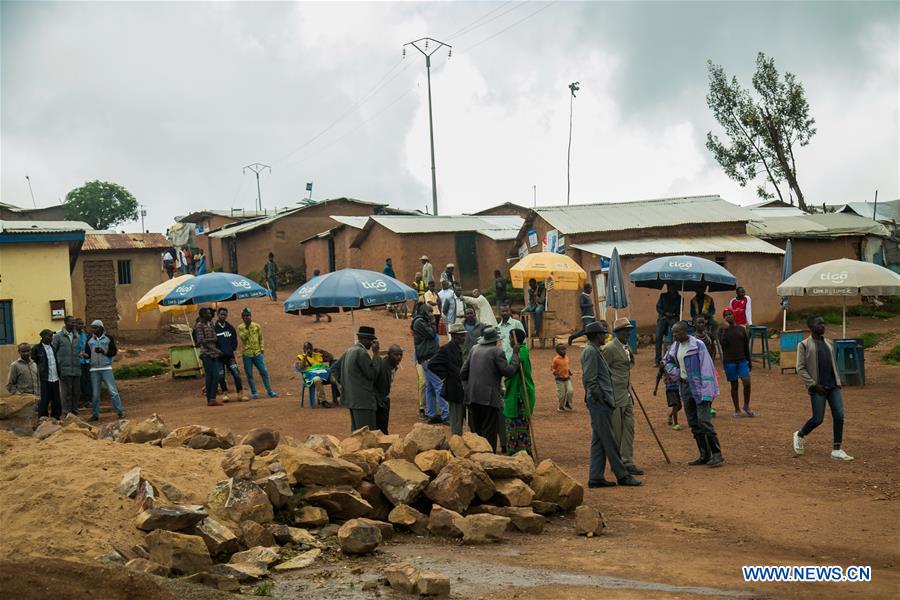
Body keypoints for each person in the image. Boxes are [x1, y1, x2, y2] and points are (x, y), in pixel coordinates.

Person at [581, 321, 642, 487]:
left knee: (599, 441)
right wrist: (602, 399)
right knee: (609, 440)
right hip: (599, 403)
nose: (605, 336)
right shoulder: (591, 352)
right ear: (596, 336)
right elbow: (590, 380)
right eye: (602, 334)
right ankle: (622, 475)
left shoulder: (595, 350)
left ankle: (595, 477)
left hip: (603, 400)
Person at [792, 316, 853, 461]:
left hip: (833, 386)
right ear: (811, 326)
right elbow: (800, 368)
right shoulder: (804, 345)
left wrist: (837, 381)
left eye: (824, 323)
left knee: (839, 415)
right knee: (818, 419)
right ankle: (800, 434)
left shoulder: (829, 343)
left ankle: (837, 449)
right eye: (819, 323)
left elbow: (833, 364)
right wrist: (813, 384)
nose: (823, 325)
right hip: (817, 388)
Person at [664, 321, 724, 467]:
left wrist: (707, 391)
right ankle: (704, 454)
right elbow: (667, 361)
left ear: (685, 331)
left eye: (677, 332)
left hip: (699, 387)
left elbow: (707, 368)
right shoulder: (675, 346)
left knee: (704, 421)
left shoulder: (697, 346)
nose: (674, 335)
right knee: (693, 422)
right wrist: (677, 373)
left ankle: (717, 454)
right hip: (685, 387)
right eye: (673, 332)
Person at [461, 326, 520, 452]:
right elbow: (509, 372)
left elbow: (462, 373)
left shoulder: (474, 349)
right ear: (495, 340)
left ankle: (477, 457)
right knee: (489, 431)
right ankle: (488, 457)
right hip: (489, 398)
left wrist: (468, 388)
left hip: (472, 396)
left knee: (476, 430)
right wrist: (515, 356)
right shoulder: (496, 352)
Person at [602, 318, 644, 476]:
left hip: (626, 395)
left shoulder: (627, 348)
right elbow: (603, 372)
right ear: (617, 332)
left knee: (629, 429)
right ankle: (617, 463)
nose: (628, 333)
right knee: (617, 432)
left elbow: (626, 369)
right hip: (614, 396)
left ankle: (627, 461)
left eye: (629, 330)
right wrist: (607, 394)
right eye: (625, 330)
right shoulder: (609, 349)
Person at [336, 326, 380, 431]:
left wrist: (345, 384)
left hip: (352, 399)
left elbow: (334, 369)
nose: (372, 343)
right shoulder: (361, 353)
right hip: (363, 401)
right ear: (363, 339)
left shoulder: (350, 350)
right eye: (370, 340)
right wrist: (376, 354)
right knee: (367, 434)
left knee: (356, 433)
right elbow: (372, 375)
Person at [428, 323, 467, 435]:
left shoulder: (459, 348)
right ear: (454, 336)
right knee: (456, 421)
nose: (464, 337)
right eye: (461, 335)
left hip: (461, 388)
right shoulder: (446, 349)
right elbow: (432, 364)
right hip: (453, 389)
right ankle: (456, 444)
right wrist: (446, 374)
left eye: (464, 335)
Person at [503, 329, 535, 456]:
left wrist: (515, 354)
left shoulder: (520, 353)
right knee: (521, 423)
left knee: (517, 423)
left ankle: (518, 451)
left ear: (515, 340)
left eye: (510, 338)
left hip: (519, 394)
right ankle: (522, 450)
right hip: (521, 390)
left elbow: (512, 370)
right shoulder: (523, 350)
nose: (509, 341)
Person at [412, 305, 446, 424]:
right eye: (429, 312)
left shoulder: (421, 321)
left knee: (430, 387)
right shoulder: (419, 322)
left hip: (428, 357)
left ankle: (431, 414)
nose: (432, 314)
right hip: (428, 358)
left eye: (432, 312)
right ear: (424, 312)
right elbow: (432, 334)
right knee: (438, 385)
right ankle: (446, 414)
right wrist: (432, 322)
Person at [718, 309, 753, 418]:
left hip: (742, 360)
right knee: (734, 385)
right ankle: (737, 409)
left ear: (734, 315)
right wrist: (725, 331)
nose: (728, 316)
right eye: (726, 315)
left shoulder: (741, 329)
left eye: (730, 314)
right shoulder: (722, 330)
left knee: (747, 382)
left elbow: (746, 346)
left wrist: (749, 361)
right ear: (724, 318)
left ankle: (746, 406)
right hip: (729, 361)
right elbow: (723, 344)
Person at [87, 320, 125, 421]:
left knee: (113, 392)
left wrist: (104, 351)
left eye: (95, 327)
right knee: (95, 394)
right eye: (92, 327)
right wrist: (85, 355)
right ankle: (95, 414)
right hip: (94, 369)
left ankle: (120, 412)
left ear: (100, 328)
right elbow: (88, 353)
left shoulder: (109, 338)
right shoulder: (90, 340)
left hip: (106, 368)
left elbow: (113, 352)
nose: (93, 329)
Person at [237, 308, 277, 399]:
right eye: (244, 316)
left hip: (257, 353)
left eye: (248, 316)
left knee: (264, 371)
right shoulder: (240, 327)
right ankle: (254, 392)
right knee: (249, 374)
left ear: (251, 316)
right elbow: (243, 338)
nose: (246, 318)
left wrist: (262, 349)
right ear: (242, 318)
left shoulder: (257, 326)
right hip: (247, 354)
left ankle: (269, 391)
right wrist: (247, 328)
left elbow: (261, 338)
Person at [214, 307, 247, 402]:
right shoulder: (214, 329)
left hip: (230, 357)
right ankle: (225, 394)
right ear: (218, 315)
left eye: (225, 314)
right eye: (222, 314)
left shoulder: (230, 328)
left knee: (236, 374)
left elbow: (234, 341)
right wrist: (218, 351)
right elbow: (213, 343)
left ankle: (240, 394)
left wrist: (230, 349)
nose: (223, 316)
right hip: (219, 358)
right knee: (220, 376)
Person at [52, 315, 82, 416]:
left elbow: (79, 350)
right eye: (71, 322)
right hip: (64, 369)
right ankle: (66, 411)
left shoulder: (77, 336)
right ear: (65, 323)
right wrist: (58, 367)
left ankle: (74, 410)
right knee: (66, 392)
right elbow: (53, 352)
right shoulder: (58, 336)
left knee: (76, 391)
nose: (73, 324)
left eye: (74, 322)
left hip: (76, 368)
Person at [195, 307, 223, 407]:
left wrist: (208, 340)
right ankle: (210, 399)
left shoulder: (210, 324)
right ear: (202, 315)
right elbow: (201, 341)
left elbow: (215, 338)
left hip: (213, 353)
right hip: (206, 354)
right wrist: (215, 348)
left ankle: (212, 398)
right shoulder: (199, 325)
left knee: (216, 375)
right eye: (208, 313)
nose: (210, 315)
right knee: (210, 376)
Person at [373, 344, 403, 434]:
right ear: (389, 354)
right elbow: (372, 382)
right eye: (396, 355)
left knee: (383, 426)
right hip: (378, 400)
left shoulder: (393, 366)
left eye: (400, 355)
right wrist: (379, 399)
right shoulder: (383, 366)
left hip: (384, 398)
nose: (399, 357)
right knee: (380, 428)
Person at [32, 330, 62, 419]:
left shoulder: (53, 348)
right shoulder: (36, 349)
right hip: (44, 379)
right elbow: (34, 363)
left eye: (52, 336)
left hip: (55, 378)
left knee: (56, 400)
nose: (51, 338)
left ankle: (56, 417)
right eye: (49, 336)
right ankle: (43, 418)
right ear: (43, 337)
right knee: (44, 400)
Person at [295, 342, 335, 408]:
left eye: (310, 348)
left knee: (335, 378)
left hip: (324, 374)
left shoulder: (317, 355)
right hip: (310, 377)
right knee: (317, 380)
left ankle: (344, 397)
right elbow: (301, 367)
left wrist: (322, 351)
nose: (309, 350)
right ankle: (323, 401)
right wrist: (305, 357)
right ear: (304, 349)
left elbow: (331, 358)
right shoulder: (301, 357)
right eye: (307, 349)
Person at [655, 285, 681, 365]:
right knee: (658, 336)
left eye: (672, 287)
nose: (670, 289)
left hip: (673, 317)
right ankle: (657, 360)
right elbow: (658, 308)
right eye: (669, 287)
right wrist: (665, 313)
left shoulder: (679, 298)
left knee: (676, 336)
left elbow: (680, 310)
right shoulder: (663, 296)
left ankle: (673, 357)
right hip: (663, 317)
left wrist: (673, 314)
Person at [551, 344, 574, 411]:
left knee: (570, 391)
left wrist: (569, 371)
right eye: (562, 350)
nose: (564, 351)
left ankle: (567, 403)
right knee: (562, 394)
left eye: (564, 349)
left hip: (567, 378)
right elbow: (552, 368)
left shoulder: (566, 357)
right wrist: (555, 373)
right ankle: (561, 406)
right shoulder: (555, 359)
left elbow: (566, 366)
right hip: (560, 379)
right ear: (558, 351)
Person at [75, 318, 92, 409]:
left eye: (82, 324)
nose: (81, 326)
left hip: (86, 361)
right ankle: (80, 401)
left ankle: (88, 400)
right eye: (79, 324)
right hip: (77, 362)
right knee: (80, 382)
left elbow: (87, 348)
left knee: (88, 380)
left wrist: (87, 354)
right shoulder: (73, 335)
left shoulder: (85, 335)